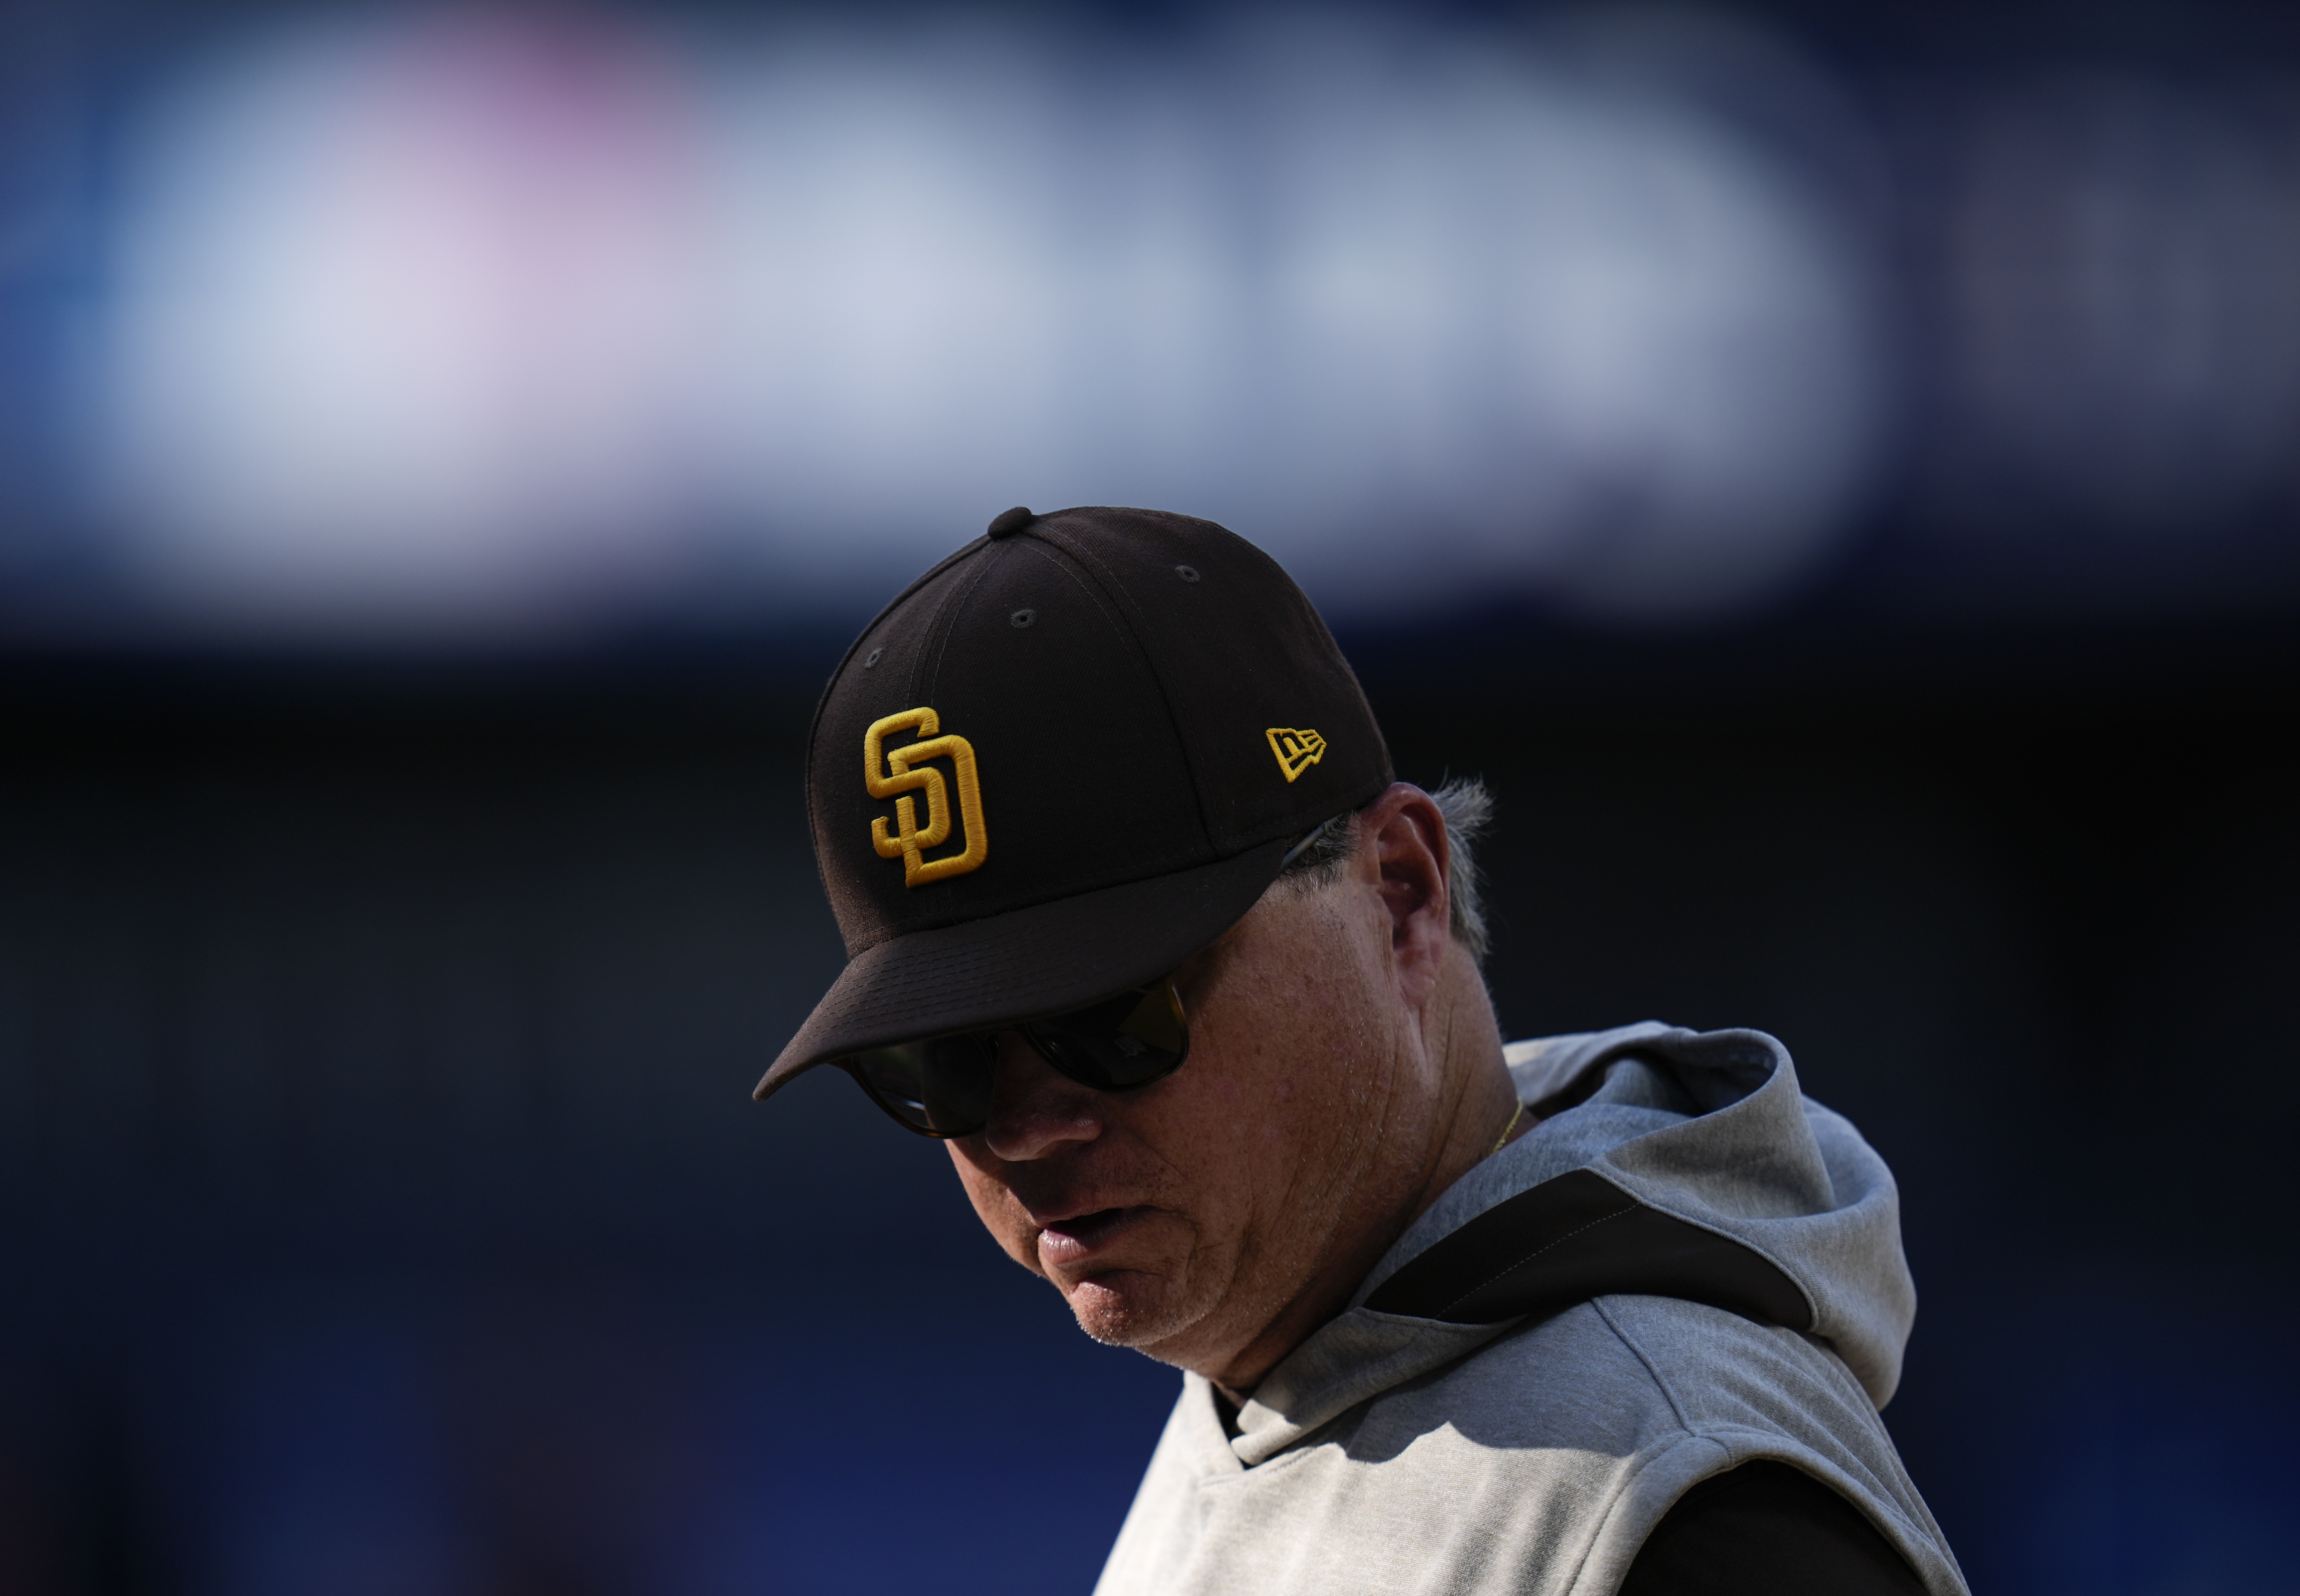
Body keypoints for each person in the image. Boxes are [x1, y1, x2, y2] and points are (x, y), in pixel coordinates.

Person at [754, 506, 1969, 1596]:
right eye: (942, 1064)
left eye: (1109, 1015)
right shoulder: (1264, 1368)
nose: (1025, 1126)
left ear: (1398, 893)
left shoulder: (1671, 1493)